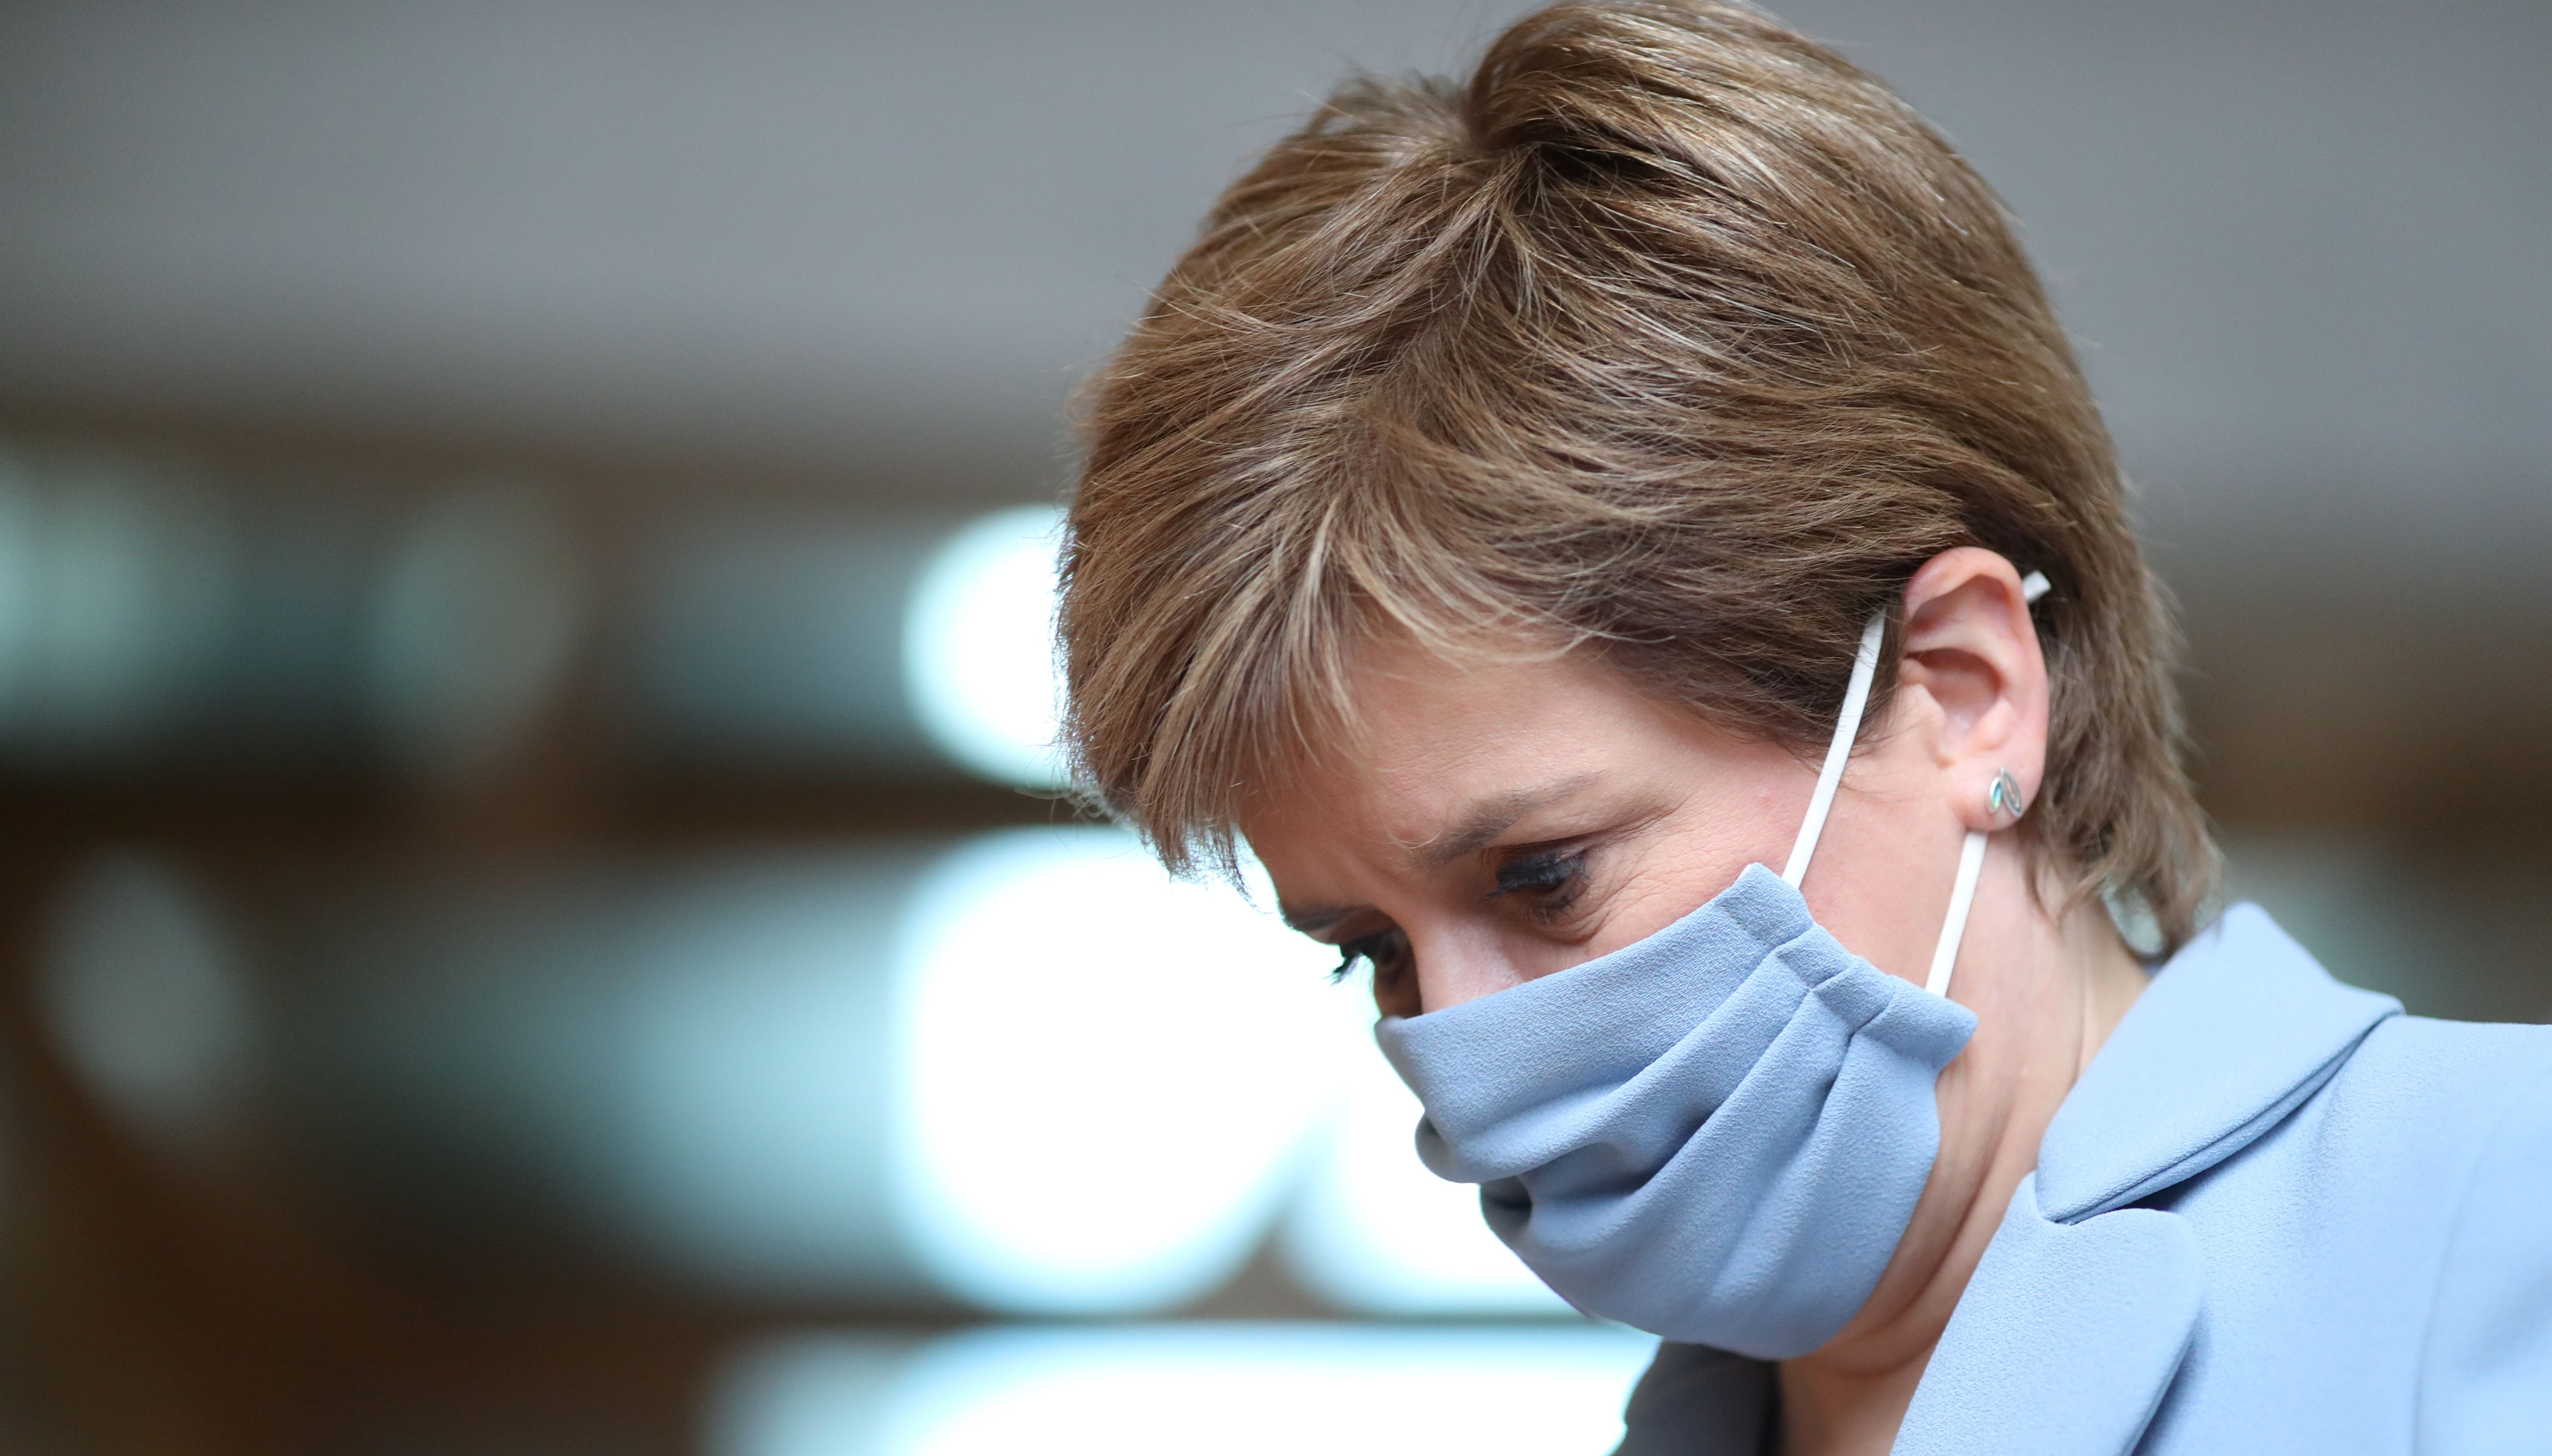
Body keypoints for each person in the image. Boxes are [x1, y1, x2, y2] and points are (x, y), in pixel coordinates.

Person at [1054, 3, 2552, 1452]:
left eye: (1544, 874)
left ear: (1966, 693)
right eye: (1370, 949)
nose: (1462, 1049)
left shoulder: (2500, 1213)